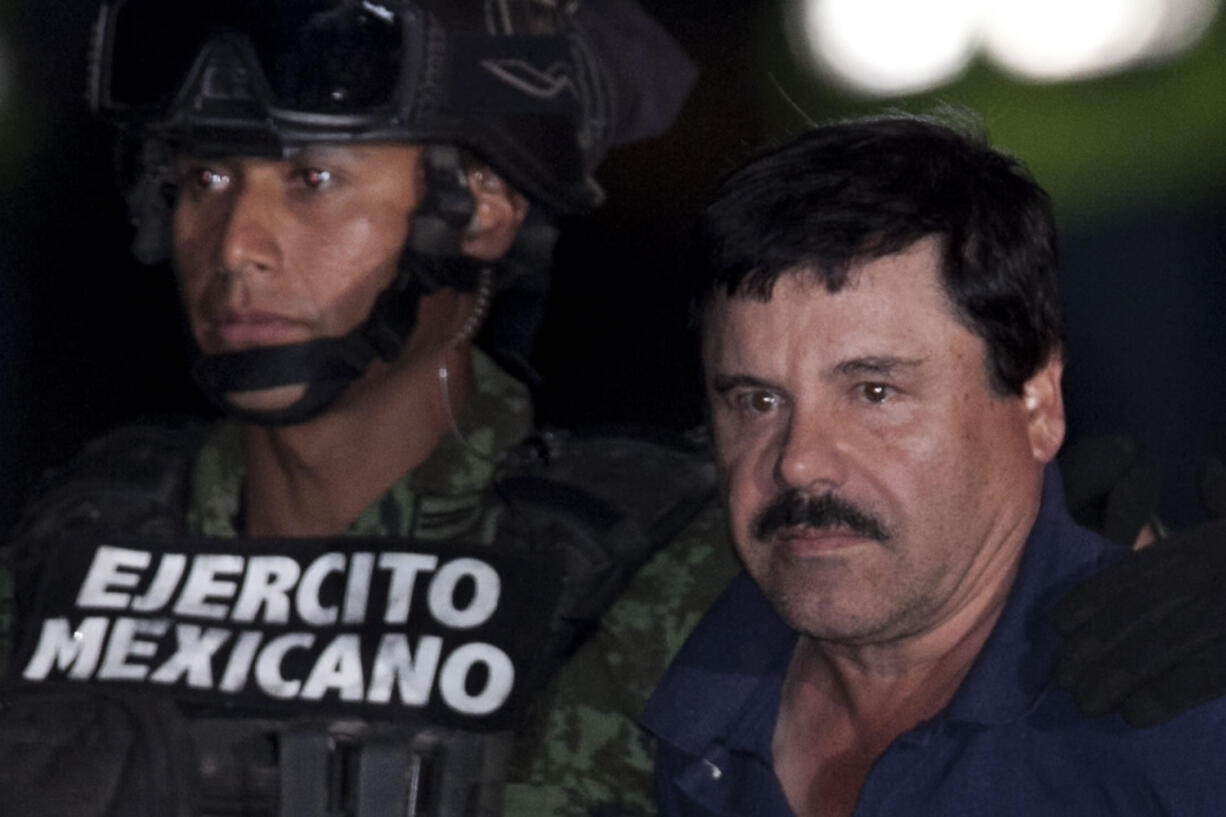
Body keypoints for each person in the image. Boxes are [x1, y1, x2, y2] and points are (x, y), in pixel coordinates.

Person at [0, 1, 733, 816]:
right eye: (206, 179)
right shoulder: (72, 542)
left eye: (313, 180)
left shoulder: (654, 571)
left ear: (482, 208)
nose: (237, 244)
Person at [643, 112, 1226, 817]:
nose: (798, 462)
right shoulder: (636, 674)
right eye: (758, 400)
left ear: (1037, 399)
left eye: (874, 392)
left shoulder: (1185, 719)